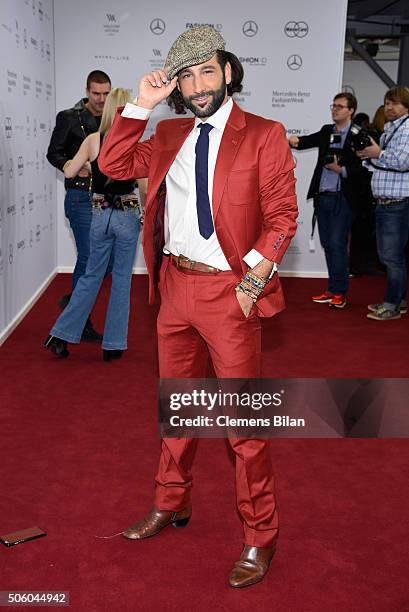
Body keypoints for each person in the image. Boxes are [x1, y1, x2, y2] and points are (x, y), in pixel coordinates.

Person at [99, 26, 298, 588]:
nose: (197, 84)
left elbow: (283, 217)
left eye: (206, 71)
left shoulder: (264, 133)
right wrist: (141, 104)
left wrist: (253, 280)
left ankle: (261, 535)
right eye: (186, 76)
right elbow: (113, 166)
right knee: (178, 409)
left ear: (228, 71)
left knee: (242, 425)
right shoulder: (169, 133)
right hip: (174, 289)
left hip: (231, 292)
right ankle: (172, 503)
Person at [44, 88, 146, 360]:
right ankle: (112, 346)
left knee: (91, 276)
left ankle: (60, 334)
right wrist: (145, 212)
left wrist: (92, 166)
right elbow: (144, 184)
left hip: (99, 210)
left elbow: (68, 170)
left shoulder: (92, 139)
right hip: (126, 211)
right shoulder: (134, 142)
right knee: (122, 280)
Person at [289, 93, 371, 308]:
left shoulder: (359, 134)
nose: (335, 110)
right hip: (322, 196)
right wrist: (279, 136)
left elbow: (366, 169)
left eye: (340, 106)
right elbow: (303, 142)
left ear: (351, 110)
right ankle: (333, 289)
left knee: (336, 244)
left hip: (344, 198)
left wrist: (341, 169)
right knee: (328, 244)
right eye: (333, 105)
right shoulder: (327, 131)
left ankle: (340, 292)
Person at [47, 70, 112, 341]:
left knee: (105, 261)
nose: (101, 99)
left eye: (106, 94)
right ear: (87, 91)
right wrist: (72, 167)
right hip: (80, 197)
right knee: (89, 257)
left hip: (108, 197)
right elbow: (54, 153)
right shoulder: (69, 117)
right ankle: (79, 321)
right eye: (96, 93)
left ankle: (74, 302)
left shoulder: (114, 119)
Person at [357, 86, 409, 320]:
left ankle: (392, 304)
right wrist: (369, 156)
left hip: (397, 202)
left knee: (391, 256)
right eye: (387, 102)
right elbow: (383, 163)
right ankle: (397, 300)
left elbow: (402, 161)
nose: (389, 107)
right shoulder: (391, 128)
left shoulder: (407, 128)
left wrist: (377, 153)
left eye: (395, 103)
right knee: (390, 255)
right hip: (386, 201)